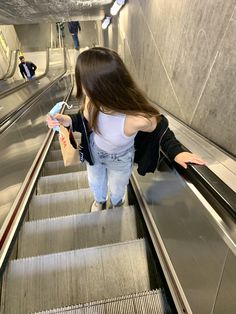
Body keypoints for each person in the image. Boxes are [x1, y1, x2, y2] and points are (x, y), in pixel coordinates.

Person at [46, 47, 205, 211]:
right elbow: (86, 122)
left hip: (120, 159)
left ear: (101, 87)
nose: (83, 89)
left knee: (117, 189)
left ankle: (117, 203)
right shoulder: (91, 100)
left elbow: (160, 129)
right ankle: (99, 200)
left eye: (85, 84)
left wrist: (176, 151)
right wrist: (67, 120)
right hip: (94, 151)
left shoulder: (135, 118)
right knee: (95, 182)